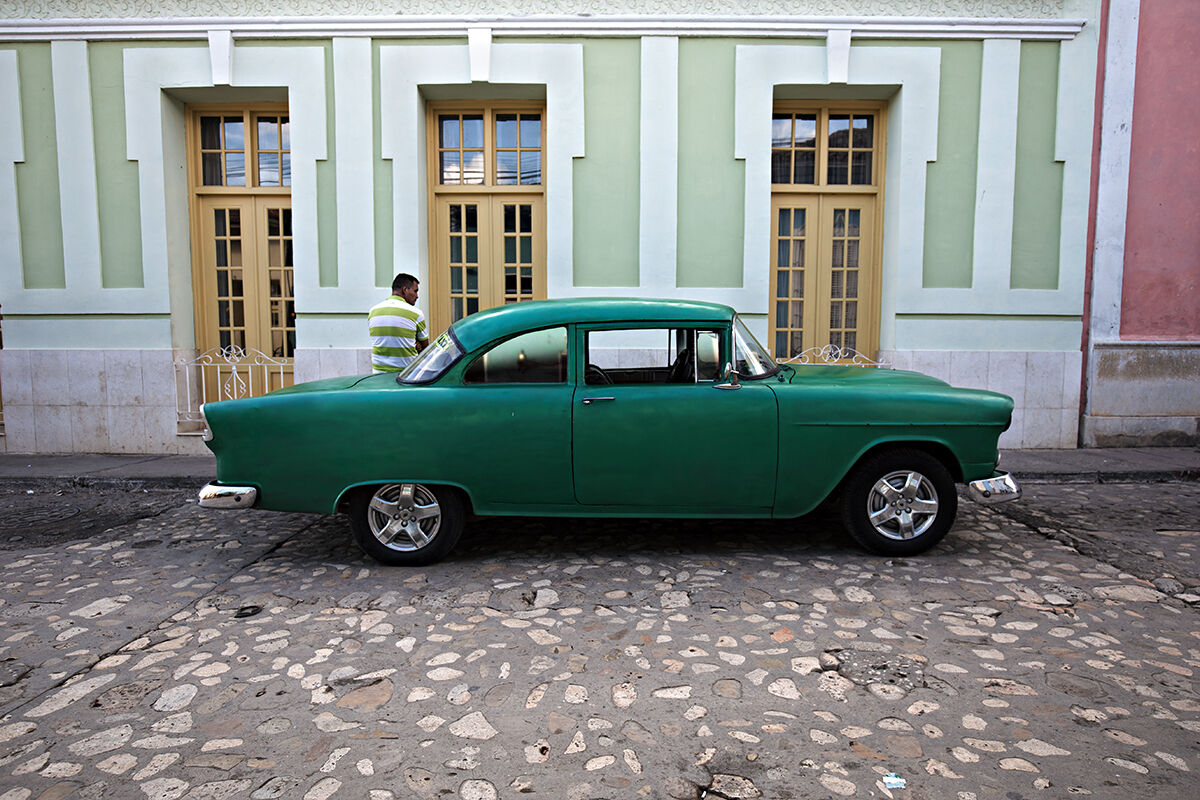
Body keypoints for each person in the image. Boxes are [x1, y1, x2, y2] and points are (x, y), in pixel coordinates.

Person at [369, 273, 429, 373]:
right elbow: (425, 350)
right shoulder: (416, 313)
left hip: (378, 373)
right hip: (406, 374)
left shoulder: (373, 311)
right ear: (405, 290)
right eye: (415, 291)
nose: (417, 296)